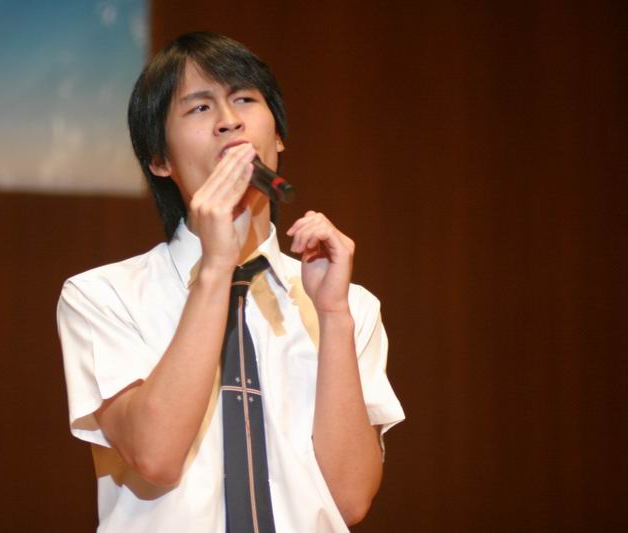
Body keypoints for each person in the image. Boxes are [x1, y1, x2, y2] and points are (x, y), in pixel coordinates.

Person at [57, 31, 404, 532]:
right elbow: (155, 455)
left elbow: (349, 500)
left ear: (278, 137)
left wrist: (333, 317)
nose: (229, 120)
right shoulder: (103, 296)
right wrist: (216, 268)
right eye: (200, 108)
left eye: (244, 99)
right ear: (159, 160)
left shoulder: (349, 304)